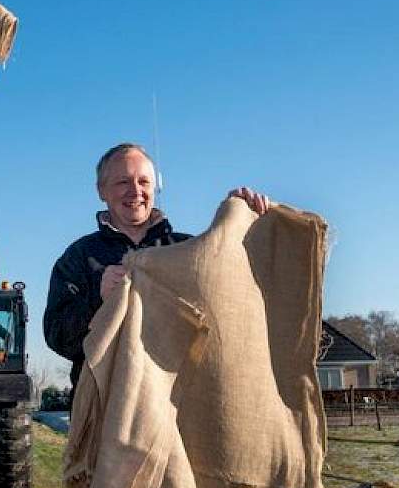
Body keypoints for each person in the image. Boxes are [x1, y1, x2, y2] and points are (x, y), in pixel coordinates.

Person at [43, 143, 271, 393]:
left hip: (177, 407)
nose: (135, 191)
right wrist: (98, 300)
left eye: (143, 181)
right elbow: (58, 339)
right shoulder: (78, 257)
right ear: (101, 190)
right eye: (122, 182)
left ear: (155, 187)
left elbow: (238, 302)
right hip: (106, 407)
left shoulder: (188, 249)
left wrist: (243, 223)